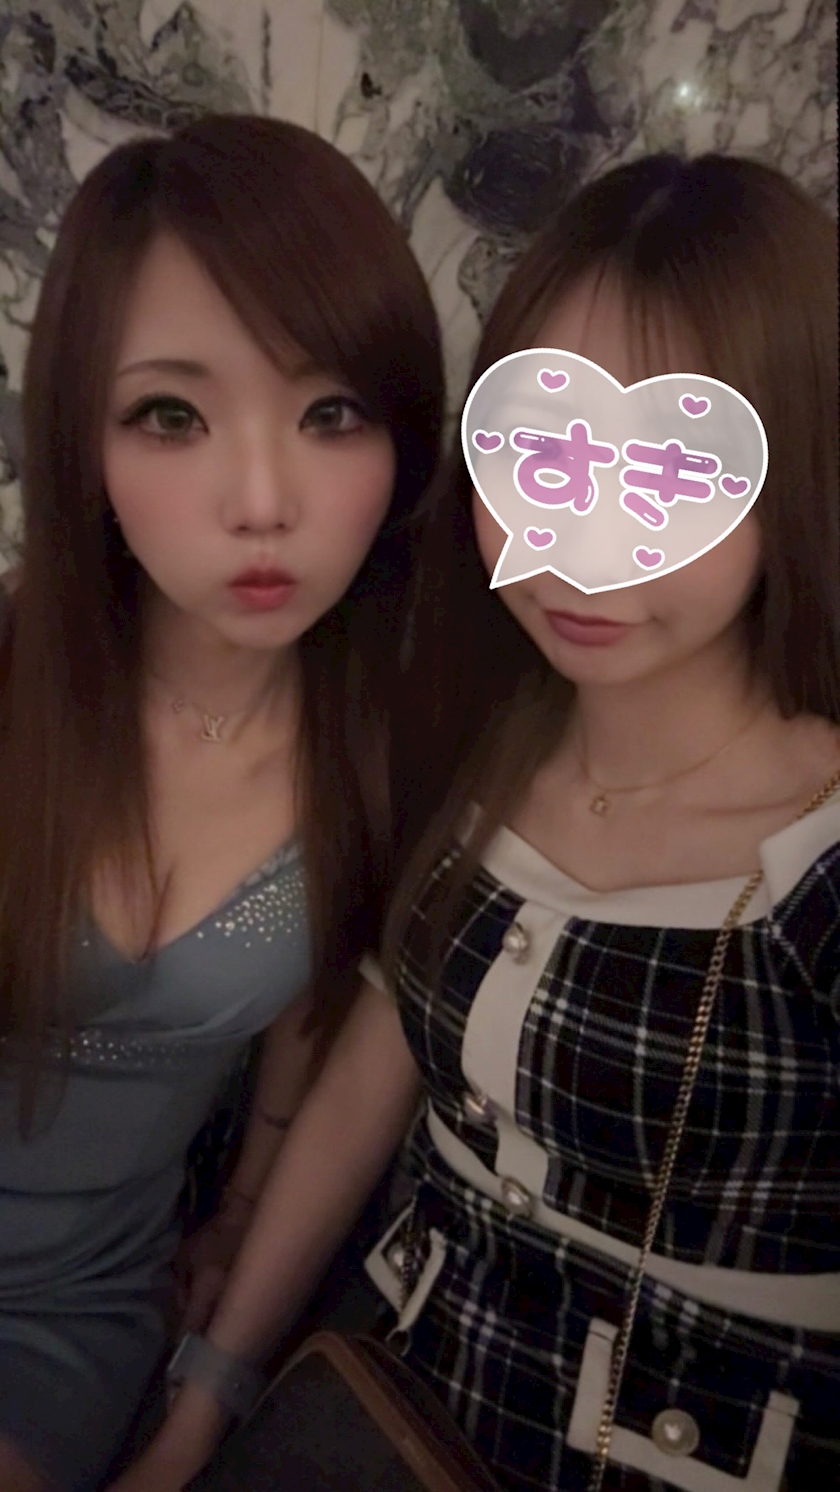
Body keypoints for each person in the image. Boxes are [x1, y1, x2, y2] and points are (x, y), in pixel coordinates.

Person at [110, 153, 839, 1492]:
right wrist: (206, 1407)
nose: (585, 543)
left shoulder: (816, 865)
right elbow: (368, 1075)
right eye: (544, 455)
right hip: (374, 1415)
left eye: (672, 472)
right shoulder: (480, 751)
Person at [0, 113, 443, 1492]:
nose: (263, 501)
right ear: (82, 438)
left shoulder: (388, 750)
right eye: (173, 416)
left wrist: (238, 1226)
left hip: (79, 1310)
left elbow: (324, 1032)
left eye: (331, 414)